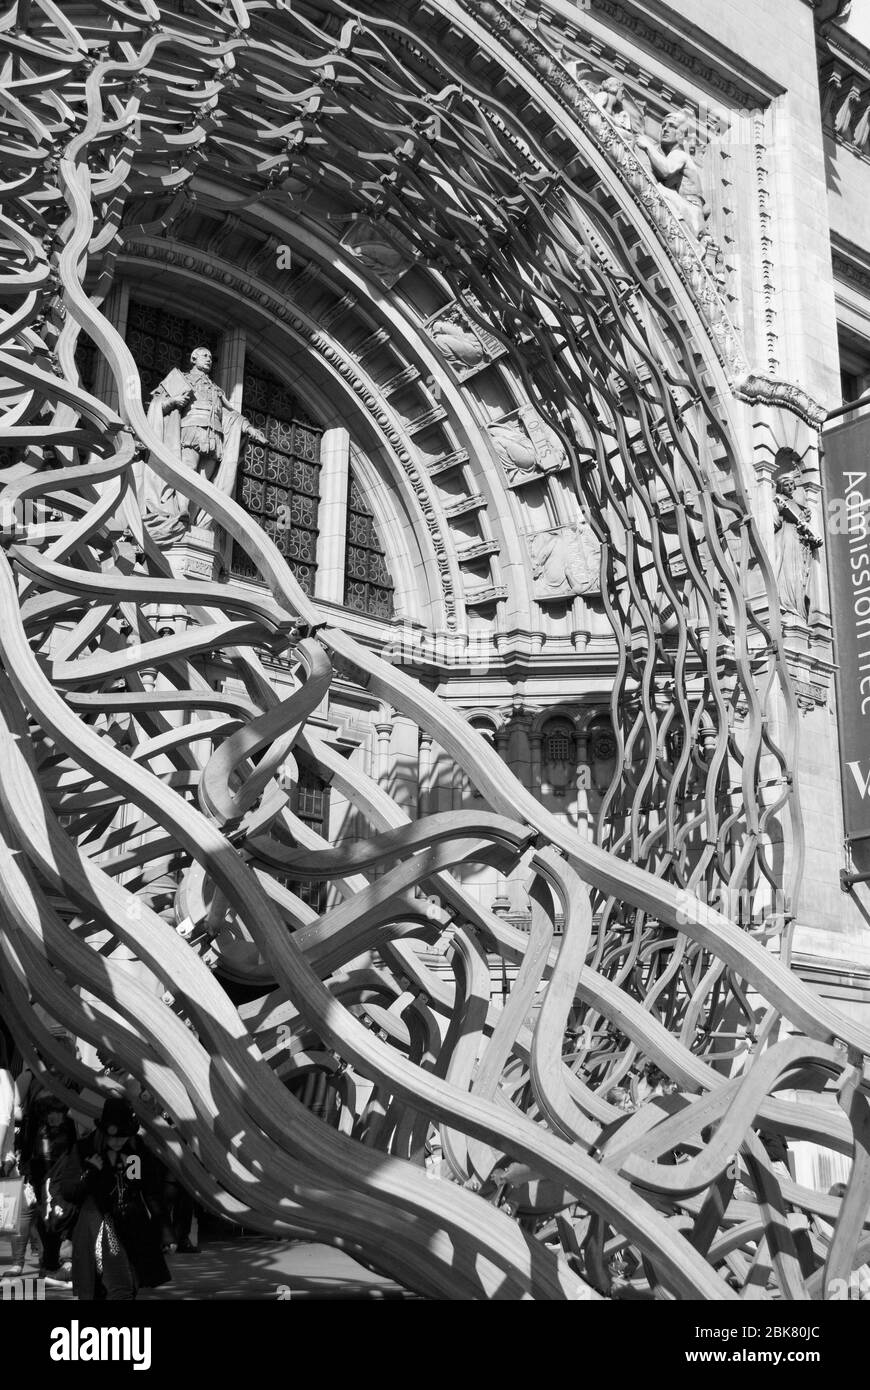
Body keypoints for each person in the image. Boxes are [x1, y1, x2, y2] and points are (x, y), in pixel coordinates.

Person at [64, 1098, 170, 1301]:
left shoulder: (134, 1151)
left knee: (128, 1283)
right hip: (97, 1224)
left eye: (124, 1137)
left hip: (131, 1224)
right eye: (114, 1137)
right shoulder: (86, 1149)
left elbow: (146, 1189)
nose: (118, 1142)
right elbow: (69, 1191)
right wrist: (90, 1172)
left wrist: (165, 1231)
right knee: (113, 1286)